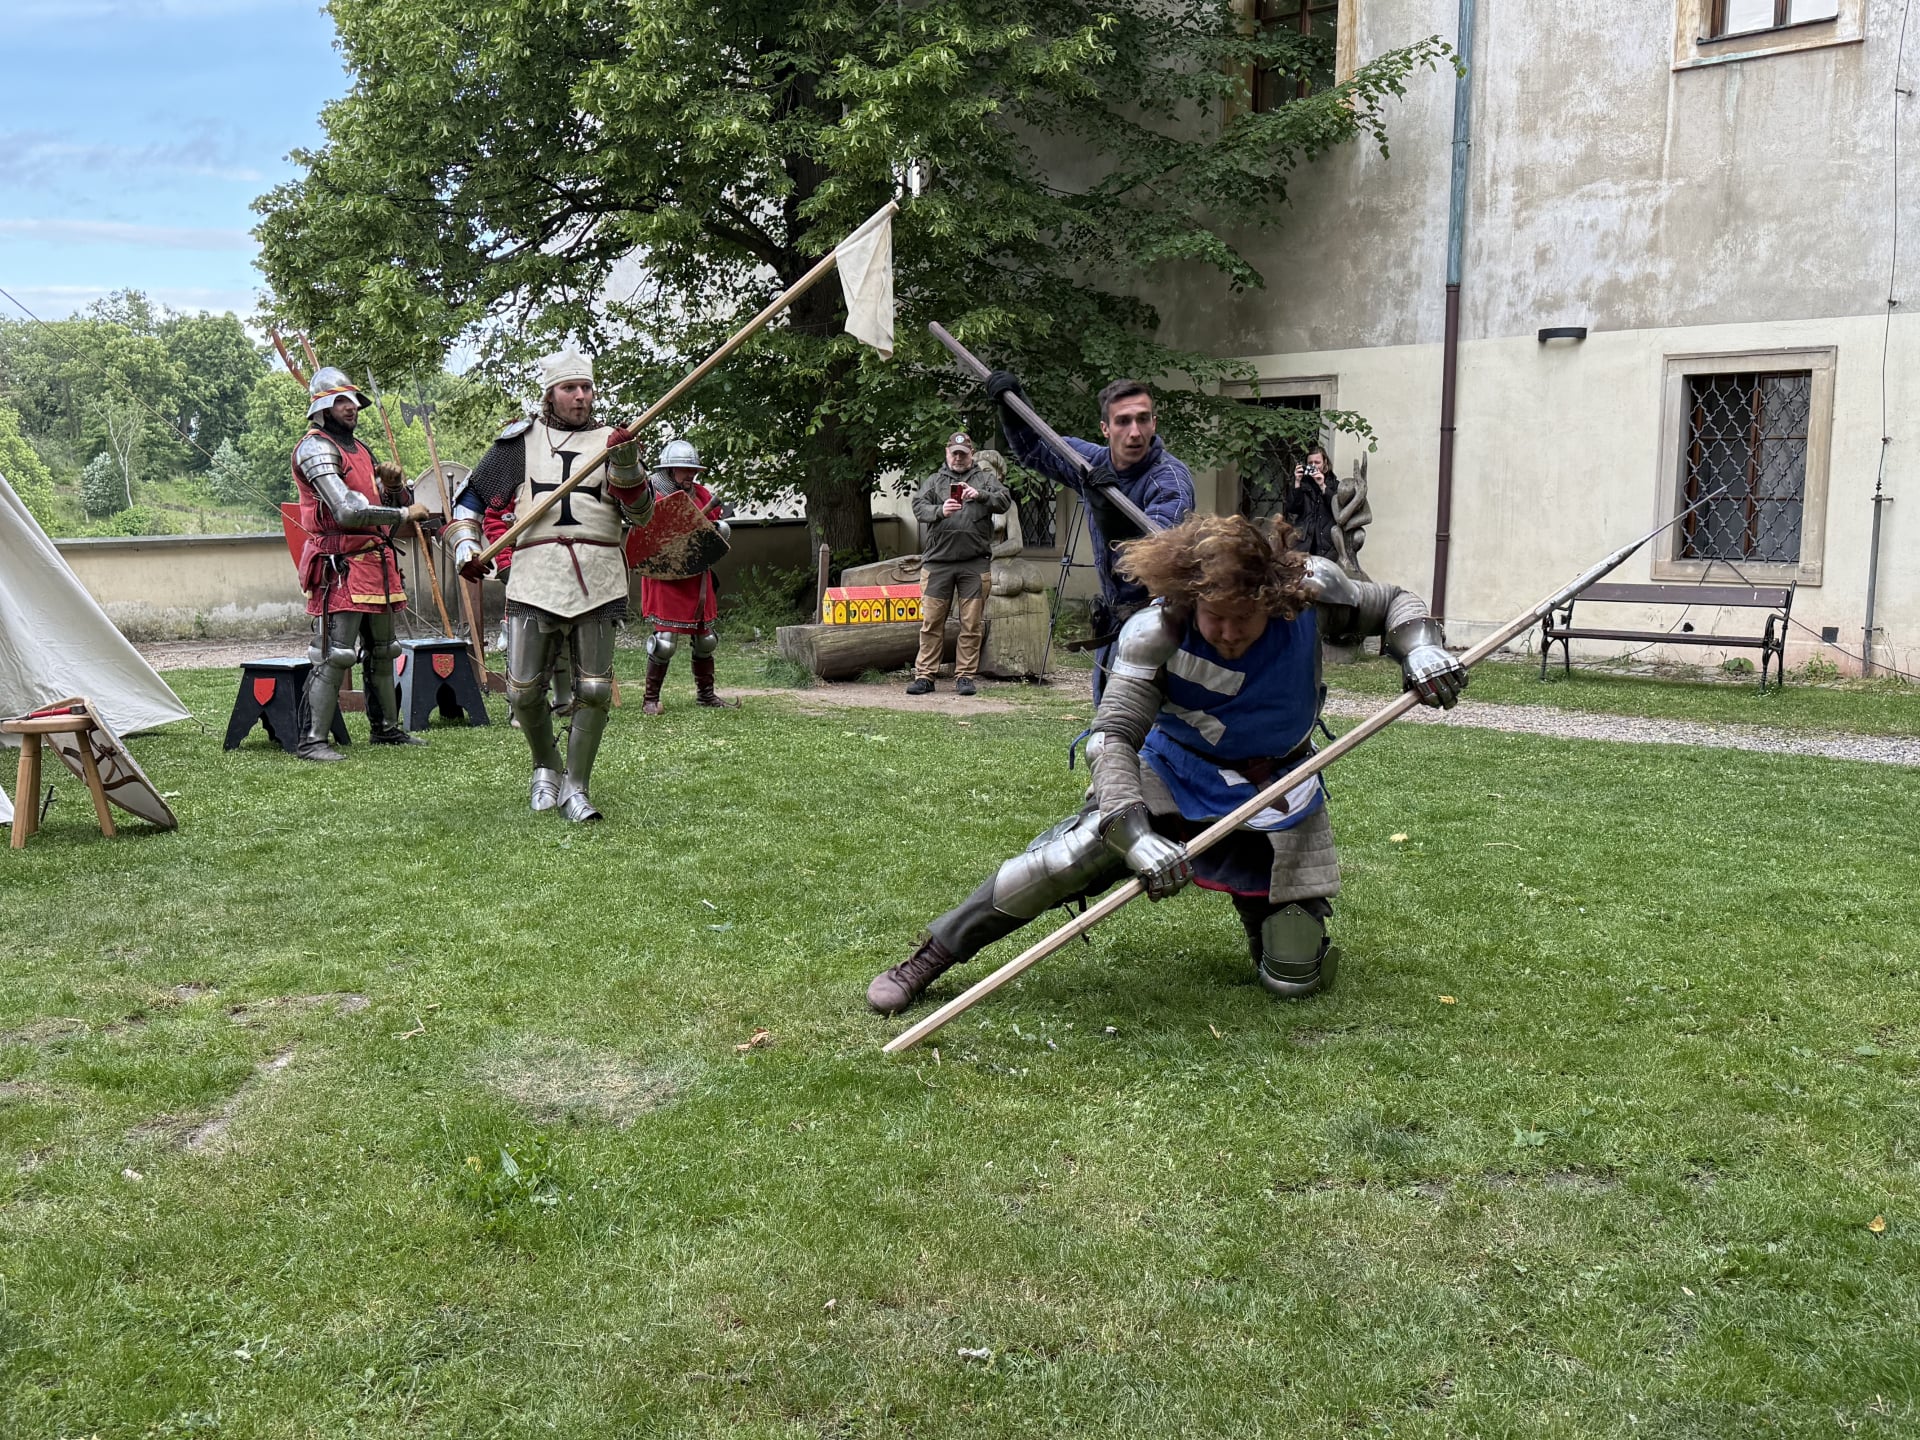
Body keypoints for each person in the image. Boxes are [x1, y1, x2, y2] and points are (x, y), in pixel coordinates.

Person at [865, 512, 1468, 1016]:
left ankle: (1268, 922)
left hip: (1280, 780)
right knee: (1075, 854)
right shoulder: (1154, 633)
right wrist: (1133, 836)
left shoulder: (1309, 594)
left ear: (1271, 601)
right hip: (1177, 769)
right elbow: (1112, 737)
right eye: (1215, 616)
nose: (1227, 632)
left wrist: (1421, 649)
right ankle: (932, 956)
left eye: (1243, 617)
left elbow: (1394, 602)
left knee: (1293, 975)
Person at [445, 350, 651, 820]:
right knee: (522, 691)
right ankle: (546, 766)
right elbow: (470, 500)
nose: (580, 397)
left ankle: (576, 786)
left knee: (594, 689)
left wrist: (628, 469)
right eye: (569, 388)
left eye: (586, 388)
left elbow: (642, 515)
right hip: (535, 573)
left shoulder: (613, 442)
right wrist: (466, 548)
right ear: (550, 394)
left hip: (597, 573)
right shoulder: (520, 443)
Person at [983, 371, 1194, 689]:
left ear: (1154, 423)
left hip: (1160, 629)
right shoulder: (1092, 463)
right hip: (1114, 623)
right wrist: (1012, 406)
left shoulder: (1169, 480)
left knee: (1135, 716)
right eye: (1123, 421)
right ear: (1105, 428)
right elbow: (1035, 448)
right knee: (1106, 713)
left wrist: (1111, 515)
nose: (1134, 432)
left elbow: (1159, 557)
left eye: (1142, 419)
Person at [288, 367, 434, 762]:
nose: (351, 407)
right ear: (322, 408)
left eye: (352, 400)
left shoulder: (360, 449)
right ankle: (313, 740)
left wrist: (392, 488)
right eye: (341, 401)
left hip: (375, 561)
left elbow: (376, 505)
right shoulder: (315, 448)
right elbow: (348, 511)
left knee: (384, 650)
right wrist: (402, 513)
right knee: (335, 654)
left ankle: (385, 729)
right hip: (341, 563)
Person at [907, 430, 1012, 697]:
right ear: (947, 453)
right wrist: (939, 511)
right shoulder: (935, 481)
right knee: (931, 622)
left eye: (963, 454)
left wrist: (981, 495)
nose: (958, 458)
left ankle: (965, 676)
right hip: (937, 563)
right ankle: (925, 676)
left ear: (971, 454)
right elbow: (918, 507)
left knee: (971, 624)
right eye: (954, 453)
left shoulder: (984, 479)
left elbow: (1004, 500)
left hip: (974, 564)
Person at [639, 437, 736, 714]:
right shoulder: (653, 494)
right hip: (666, 575)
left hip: (697, 574)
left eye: (693, 470)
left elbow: (719, 528)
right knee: (665, 642)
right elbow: (645, 531)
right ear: (669, 470)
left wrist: (715, 528)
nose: (690, 474)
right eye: (685, 469)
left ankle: (706, 695)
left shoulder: (701, 494)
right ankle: (650, 699)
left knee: (706, 639)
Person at [1281, 445, 1339, 562]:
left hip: (1326, 544)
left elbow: (1337, 509)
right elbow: (1292, 508)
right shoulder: (1303, 484)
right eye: (1310, 463)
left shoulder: (1335, 485)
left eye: (1317, 462)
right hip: (1304, 543)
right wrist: (1297, 482)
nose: (1313, 466)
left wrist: (1322, 486)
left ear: (1325, 463)